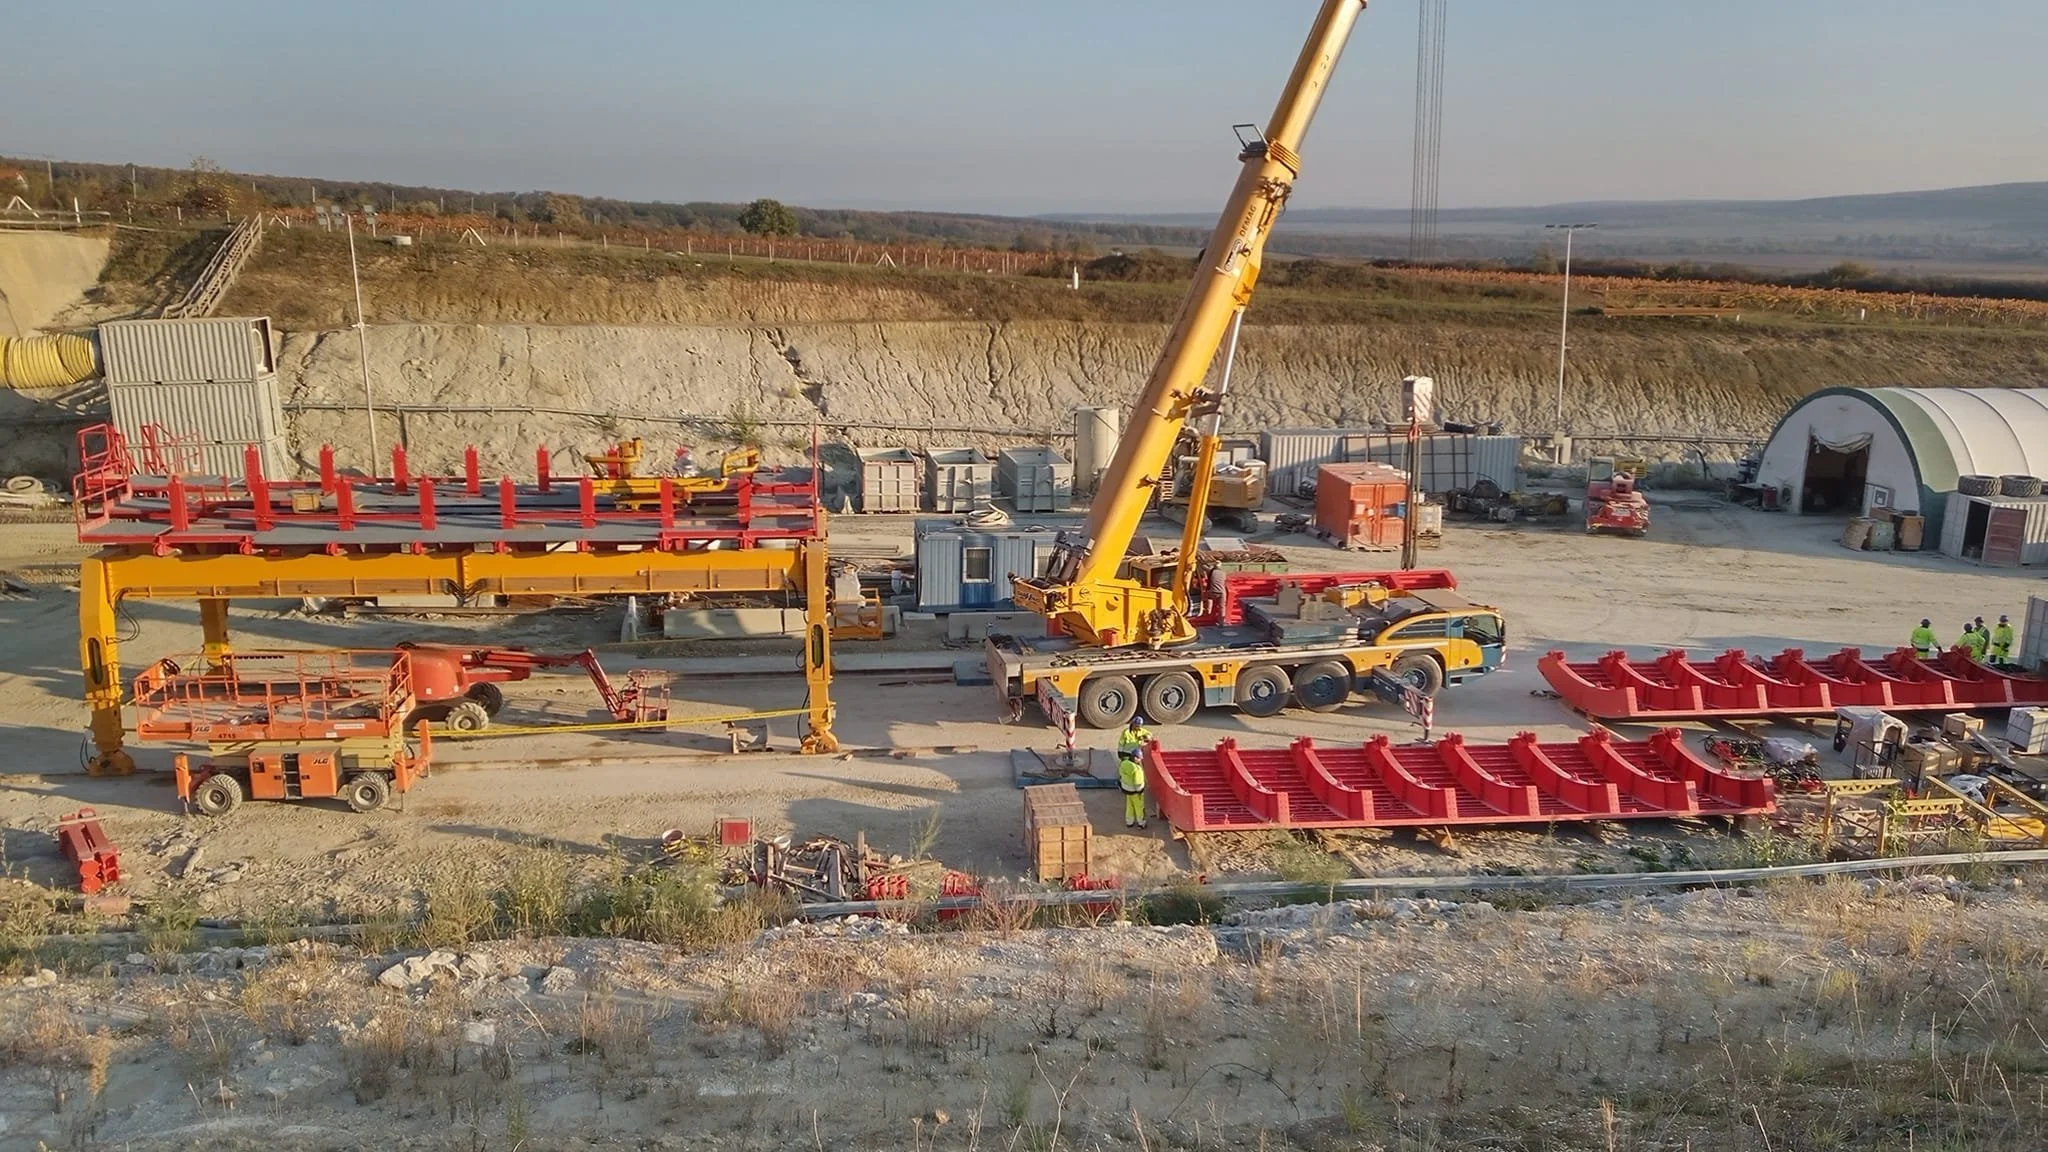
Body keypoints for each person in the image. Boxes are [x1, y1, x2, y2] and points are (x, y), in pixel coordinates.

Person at [1118, 748, 1148, 829]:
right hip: (1135, 792)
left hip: (1127, 790)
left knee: (1129, 806)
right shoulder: (1136, 769)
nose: (1140, 760)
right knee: (1139, 807)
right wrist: (1140, 791)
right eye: (1139, 758)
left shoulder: (1124, 763)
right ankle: (1141, 823)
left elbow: (1121, 776)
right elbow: (1138, 783)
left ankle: (1129, 822)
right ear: (1135, 758)